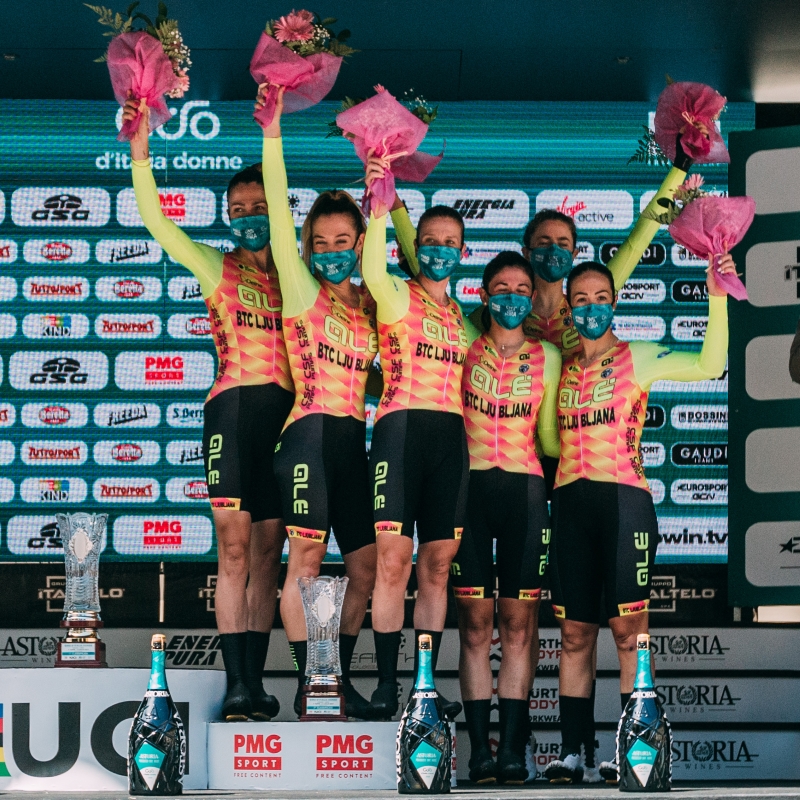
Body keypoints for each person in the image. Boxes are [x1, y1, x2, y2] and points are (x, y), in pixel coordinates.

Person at [123, 98, 292, 721]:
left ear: (278, 210)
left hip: (288, 420)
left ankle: (257, 682)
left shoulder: (298, 275)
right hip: (232, 412)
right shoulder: (213, 264)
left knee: (269, 555)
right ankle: (237, 682)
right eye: (237, 210)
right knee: (234, 549)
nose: (249, 217)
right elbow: (158, 224)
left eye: (259, 207)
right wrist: (141, 152)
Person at [258, 87, 417, 718]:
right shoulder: (299, 288)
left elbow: (409, 268)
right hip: (308, 436)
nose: (330, 252)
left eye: (342, 241)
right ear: (307, 246)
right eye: (319, 243)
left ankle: (337, 679)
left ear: (358, 243)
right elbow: (277, 210)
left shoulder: (372, 301)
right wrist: (272, 130)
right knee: (305, 559)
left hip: (356, 442)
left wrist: (383, 186)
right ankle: (312, 684)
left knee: (366, 568)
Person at [543, 255, 732, 783]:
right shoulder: (561, 365)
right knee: (574, 635)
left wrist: (717, 294)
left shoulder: (639, 355)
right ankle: (573, 754)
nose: (591, 309)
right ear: (568, 308)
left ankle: (634, 749)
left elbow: (709, 365)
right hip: (569, 506)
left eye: (601, 299)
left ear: (615, 303)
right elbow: (551, 442)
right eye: (581, 301)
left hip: (625, 503)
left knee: (629, 634)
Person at [360, 154, 481, 721]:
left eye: (450, 243)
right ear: (417, 247)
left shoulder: (464, 319)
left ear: (463, 253)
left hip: (450, 441)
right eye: (430, 241)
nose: (439, 250)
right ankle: (387, 685)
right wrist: (378, 202)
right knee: (393, 563)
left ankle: (425, 687)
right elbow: (372, 267)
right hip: (400, 433)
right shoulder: (395, 293)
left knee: (436, 568)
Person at [451, 251, 561, 784]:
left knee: (518, 627)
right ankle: (479, 752)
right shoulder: (463, 343)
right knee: (475, 628)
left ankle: (512, 750)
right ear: (483, 295)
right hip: (468, 492)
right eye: (502, 288)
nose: (512, 298)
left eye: (521, 290)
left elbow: (549, 438)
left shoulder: (549, 356)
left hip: (525, 493)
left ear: (532, 298)